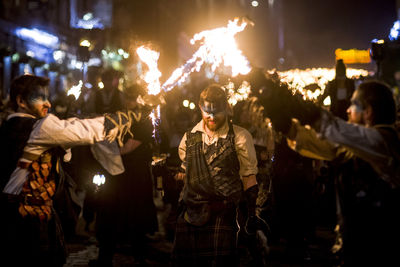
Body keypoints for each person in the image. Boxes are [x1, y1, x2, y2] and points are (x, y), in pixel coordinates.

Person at [253, 71, 400, 266]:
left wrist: (300, 107)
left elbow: (334, 129)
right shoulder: (354, 147)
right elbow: (317, 142)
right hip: (355, 247)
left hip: (384, 249)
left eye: (353, 104)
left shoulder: (386, 141)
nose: (347, 110)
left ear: (369, 111)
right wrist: (287, 124)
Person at [0, 74, 142, 266]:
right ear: (21, 101)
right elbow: (87, 130)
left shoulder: (8, 125)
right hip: (27, 221)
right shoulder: (39, 127)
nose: (48, 103)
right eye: (40, 97)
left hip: (12, 215)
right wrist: (132, 114)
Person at [172, 84, 259, 266]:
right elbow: (185, 171)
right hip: (191, 212)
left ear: (226, 107)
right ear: (200, 107)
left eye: (216, 112)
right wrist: (174, 176)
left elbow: (249, 177)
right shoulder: (189, 137)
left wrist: (251, 214)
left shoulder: (241, 137)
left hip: (223, 211)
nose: (211, 117)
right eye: (207, 111)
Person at [92, 84, 159, 266]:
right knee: (109, 214)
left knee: (136, 216)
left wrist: (106, 151)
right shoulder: (122, 115)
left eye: (133, 97)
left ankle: (139, 258)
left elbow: (128, 147)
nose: (129, 101)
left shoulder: (145, 119)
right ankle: (105, 258)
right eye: (127, 97)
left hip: (135, 176)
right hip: (118, 174)